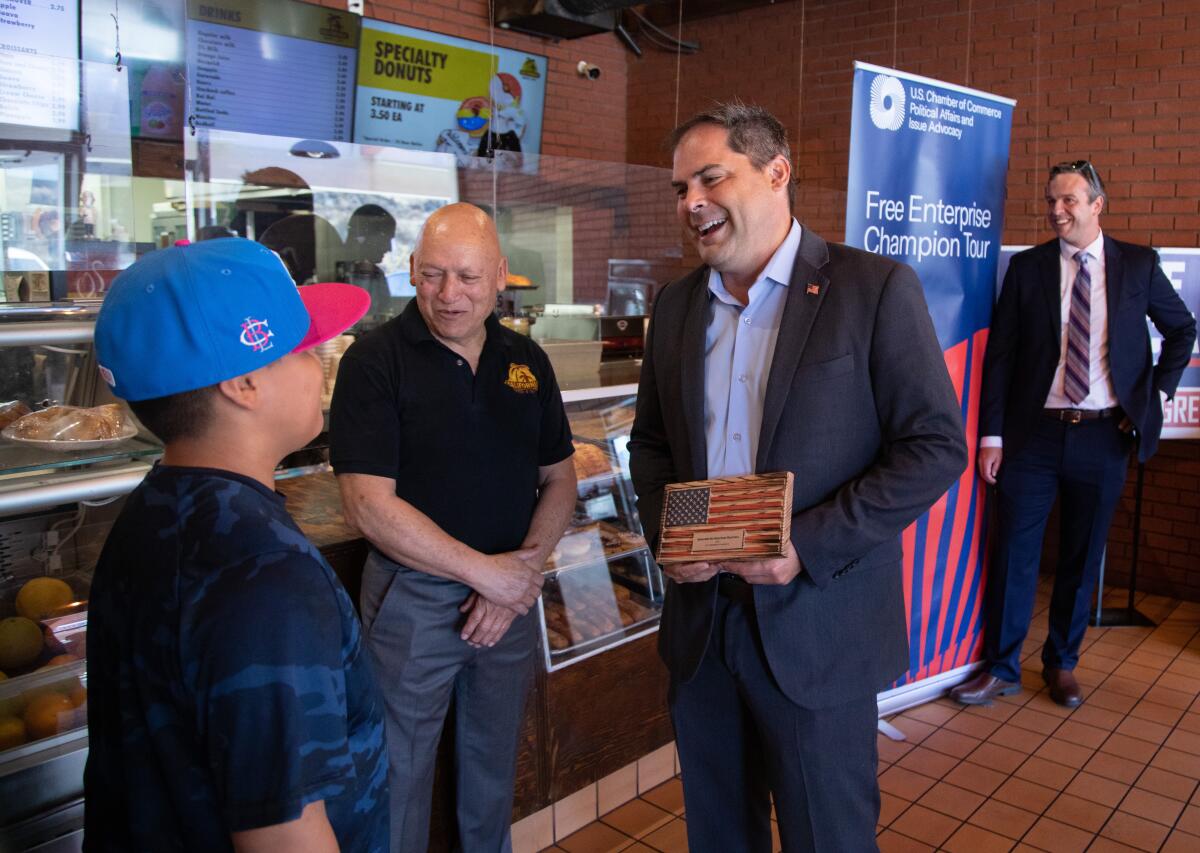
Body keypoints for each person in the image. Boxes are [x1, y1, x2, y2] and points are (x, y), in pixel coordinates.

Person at [628, 103, 967, 852]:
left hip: (819, 624)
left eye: (711, 178)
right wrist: (669, 531)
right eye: (680, 187)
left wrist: (803, 545)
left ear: (776, 171)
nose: (691, 203)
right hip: (702, 629)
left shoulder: (872, 289)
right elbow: (649, 443)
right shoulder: (678, 306)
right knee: (719, 834)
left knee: (828, 838)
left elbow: (936, 446)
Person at [83, 238, 388, 851]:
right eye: (303, 348)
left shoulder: (152, 510)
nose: (320, 362)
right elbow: (284, 834)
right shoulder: (266, 578)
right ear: (244, 381)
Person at [329, 203, 576, 853]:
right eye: (433, 274)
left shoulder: (526, 359)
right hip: (415, 597)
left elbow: (560, 478)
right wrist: (487, 575)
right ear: (410, 270)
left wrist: (517, 573)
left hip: (510, 598)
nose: (448, 294)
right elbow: (366, 504)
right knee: (398, 773)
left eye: (467, 277)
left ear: (500, 277)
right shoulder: (374, 360)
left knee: (492, 768)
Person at [950, 161, 1196, 709]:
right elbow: (1003, 358)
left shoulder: (1137, 264)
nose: (1057, 212)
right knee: (1015, 554)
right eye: (1051, 201)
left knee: (1083, 558)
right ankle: (1002, 667)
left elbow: (1182, 329)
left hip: (1106, 435)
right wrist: (992, 436)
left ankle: (1061, 664)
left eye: (1069, 201)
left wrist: (1153, 397)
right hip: (1034, 435)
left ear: (1096, 204)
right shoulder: (1030, 268)